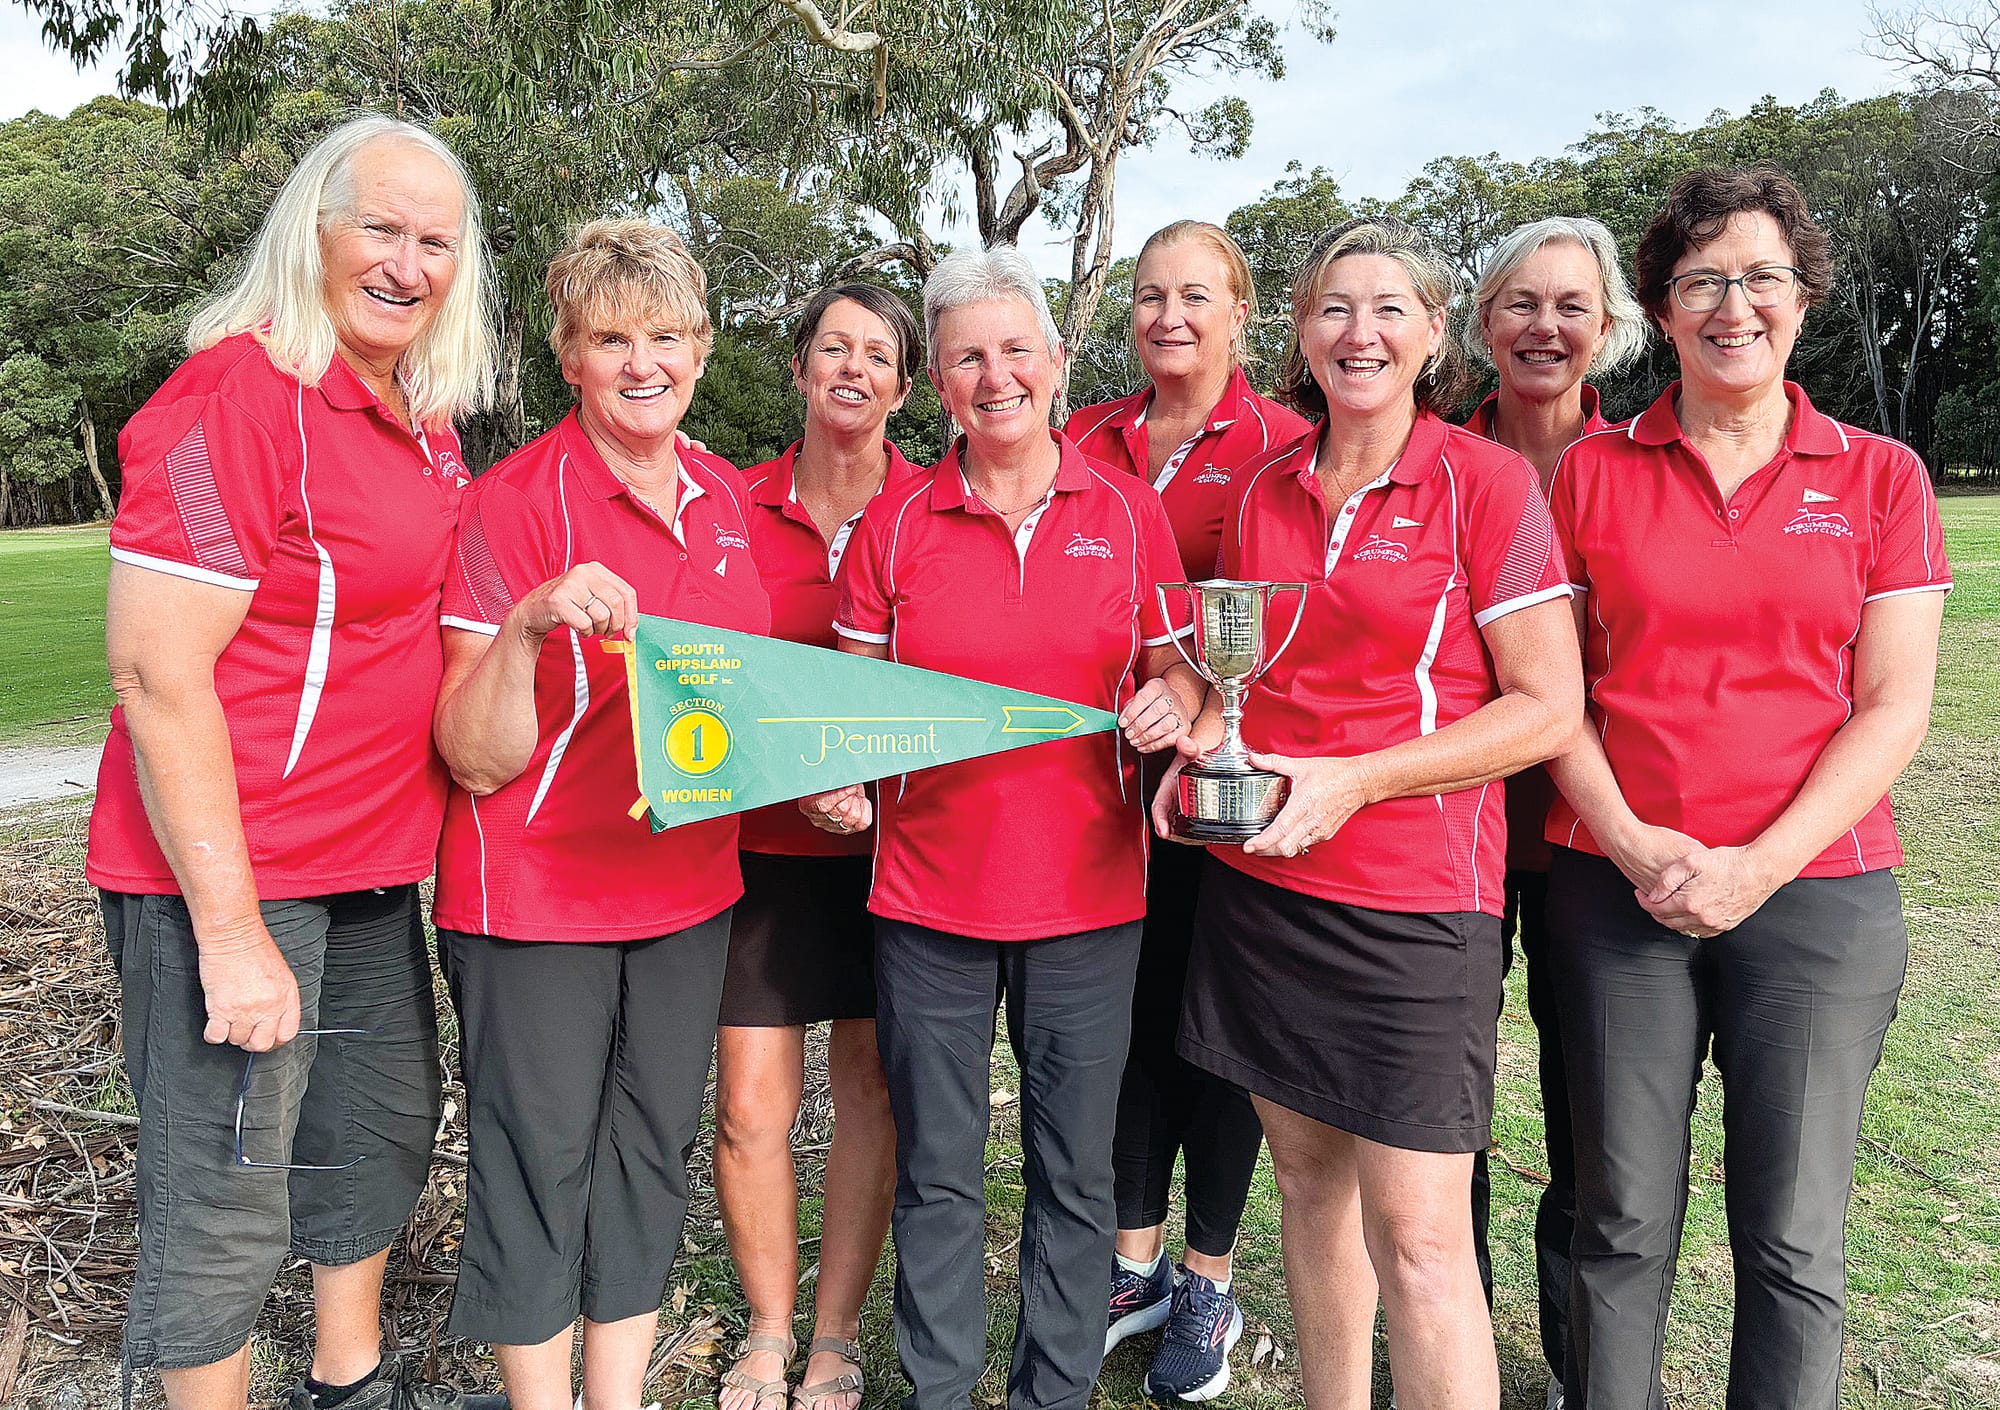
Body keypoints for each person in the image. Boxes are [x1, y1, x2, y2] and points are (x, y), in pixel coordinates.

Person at [86, 114, 500, 1410]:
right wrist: (229, 931)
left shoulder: (416, 413)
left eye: (437, 239)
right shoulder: (235, 400)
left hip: (369, 869)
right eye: (380, 227)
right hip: (232, 876)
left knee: (369, 1141)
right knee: (224, 1188)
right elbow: (158, 672)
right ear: (311, 231)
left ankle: (349, 1381)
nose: (409, 261)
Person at [1542, 165, 1951, 1410]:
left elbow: (1893, 705)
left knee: (1791, 1233)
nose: (1733, 305)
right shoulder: (1587, 474)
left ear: (1803, 297)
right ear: (1657, 311)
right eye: (1700, 281)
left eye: (1761, 277)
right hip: (1615, 891)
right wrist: (1627, 843)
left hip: (1817, 894)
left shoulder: (1879, 476)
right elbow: (1548, 695)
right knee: (1615, 1216)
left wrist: (1755, 865)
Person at [1158, 215, 1582, 1410]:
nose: (1359, 332)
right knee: (1306, 1190)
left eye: (1388, 308)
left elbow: (1546, 708)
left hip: (1409, 908)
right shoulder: (1260, 485)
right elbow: (1226, 672)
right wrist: (1189, 734)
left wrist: (1355, 781)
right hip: (1261, 893)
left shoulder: (1483, 482)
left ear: (1433, 332)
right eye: (1334, 308)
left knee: (1425, 1245)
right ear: (1299, 331)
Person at [802, 244, 1206, 1410]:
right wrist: (841, 790)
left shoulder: (1125, 515)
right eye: (969, 356)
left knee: (1071, 1174)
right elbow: (851, 720)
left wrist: (1173, 696)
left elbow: (1184, 673)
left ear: (1055, 363)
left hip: (1087, 902)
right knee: (937, 1171)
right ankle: (936, 1389)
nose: (995, 376)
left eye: (1015, 350)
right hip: (926, 901)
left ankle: (1051, 1392)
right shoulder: (895, 525)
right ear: (937, 383)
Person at [430, 218, 770, 1410]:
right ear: (567, 358)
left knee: (647, 1152)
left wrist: (811, 769)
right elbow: (471, 761)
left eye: (667, 336)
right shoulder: (512, 501)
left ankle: (615, 1397)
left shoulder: (729, 499)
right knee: (538, 1162)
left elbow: (731, 719)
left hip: (684, 893)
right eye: (611, 338)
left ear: (702, 349)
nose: (644, 364)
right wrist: (527, 625)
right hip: (532, 896)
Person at [1063, 220, 1308, 1402]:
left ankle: (1206, 1273)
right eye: (1150, 295)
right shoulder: (1083, 435)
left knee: (1213, 1035)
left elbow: (1293, 635)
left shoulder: (1286, 447)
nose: (1170, 315)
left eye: (1195, 295)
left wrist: (1191, 695)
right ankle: (1132, 1262)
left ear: (1241, 312)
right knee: (1125, 1024)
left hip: (1220, 795)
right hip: (1086, 798)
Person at [714, 284, 923, 1410]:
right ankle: (763, 1327)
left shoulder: (937, 508)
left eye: (876, 353)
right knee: (750, 1106)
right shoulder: (724, 507)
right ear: (797, 372)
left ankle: (835, 1335)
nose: (851, 367)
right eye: (830, 348)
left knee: (871, 1098)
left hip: (901, 862)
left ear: (903, 385)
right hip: (760, 852)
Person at [1457, 216, 1646, 1406]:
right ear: (1481, 323)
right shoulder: (1426, 457)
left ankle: (1587, 1363)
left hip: (1590, 839)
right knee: (1443, 1119)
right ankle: (1451, 1343)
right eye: (1520, 303)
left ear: (1610, 329)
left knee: (1593, 1121)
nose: (1544, 326)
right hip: (1446, 837)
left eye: (1570, 305)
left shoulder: (1638, 465)